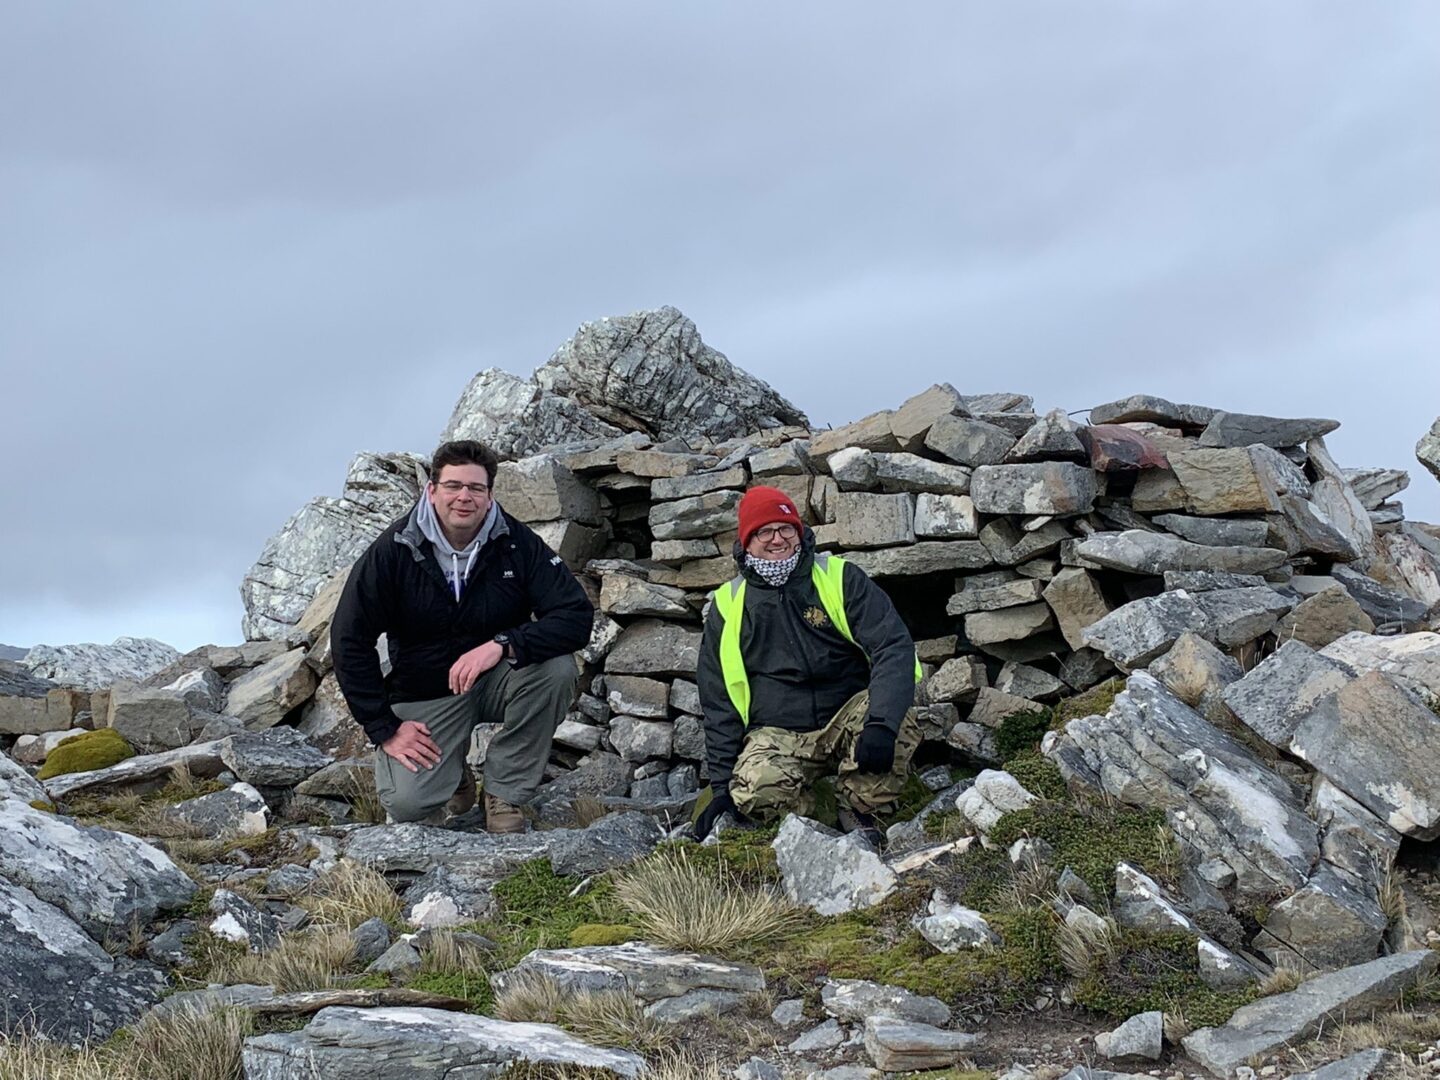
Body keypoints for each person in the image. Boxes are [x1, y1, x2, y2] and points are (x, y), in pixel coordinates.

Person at [331, 439, 592, 833]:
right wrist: (385, 728)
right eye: (453, 486)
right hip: (425, 692)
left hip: (497, 679)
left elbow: (576, 616)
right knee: (407, 804)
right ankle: (453, 774)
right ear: (431, 490)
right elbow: (350, 639)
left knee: (555, 670)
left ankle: (505, 791)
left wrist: (503, 644)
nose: (464, 497)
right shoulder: (393, 550)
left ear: (489, 495)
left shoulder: (517, 544)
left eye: (476, 488)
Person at [693, 485, 923, 842]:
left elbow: (892, 646)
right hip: (778, 732)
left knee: (896, 725)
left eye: (786, 528)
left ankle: (859, 808)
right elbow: (718, 699)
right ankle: (824, 810)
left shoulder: (838, 577)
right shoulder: (728, 604)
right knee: (754, 793)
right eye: (764, 531)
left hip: (848, 712)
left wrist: (881, 723)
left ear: (799, 532)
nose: (777, 539)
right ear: (746, 541)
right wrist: (722, 787)